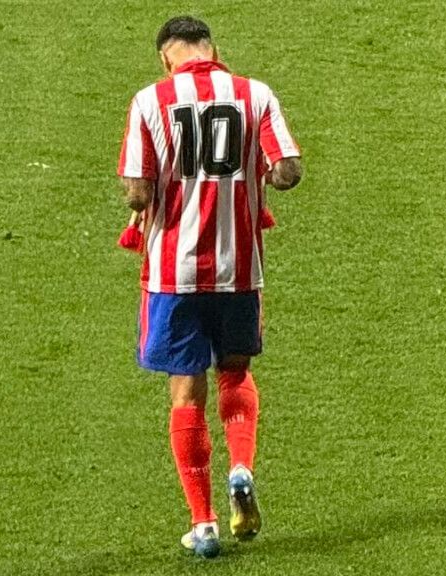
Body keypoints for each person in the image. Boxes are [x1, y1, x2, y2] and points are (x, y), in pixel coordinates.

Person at [116, 15, 302, 558]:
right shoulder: (255, 94)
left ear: (165, 57)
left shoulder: (150, 101)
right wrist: (254, 174)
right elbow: (288, 172)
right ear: (212, 49)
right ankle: (240, 467)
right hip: (238, 268)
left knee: (185, 392)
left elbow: (137, 192)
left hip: (173, 274)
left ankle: (203, 524)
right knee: (236, 373)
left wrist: (150, 199)